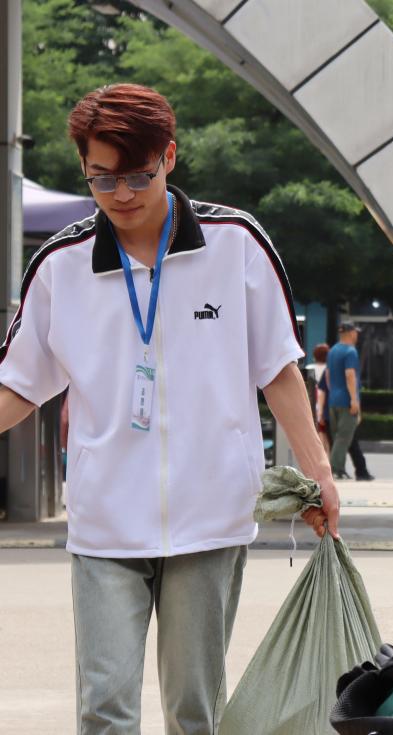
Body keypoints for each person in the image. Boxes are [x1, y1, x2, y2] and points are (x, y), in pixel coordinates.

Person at [0, 83, 339, 733]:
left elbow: (278, 368)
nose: (121, 194)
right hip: (106, 520)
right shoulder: (62, 265)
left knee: (193, 709)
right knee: (104, 706)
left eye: (138, 175)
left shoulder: (236, 243)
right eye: (102, 178)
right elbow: (18, 383)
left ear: (170, 157)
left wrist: (318, 472)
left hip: (212, 514)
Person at [325, 322, 364, 479]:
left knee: (337, 437)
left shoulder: (332, 351)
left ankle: (338, 468)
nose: (357, 335)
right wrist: (354, 400)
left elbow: (328, 375)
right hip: (346, 401)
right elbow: (350, 375)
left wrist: (333, 392)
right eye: (356, 332)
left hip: (333, 400)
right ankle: (335, 469)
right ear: (351, 333)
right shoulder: (350, 351)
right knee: (343, 437)